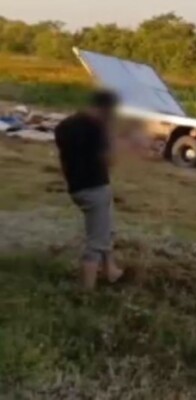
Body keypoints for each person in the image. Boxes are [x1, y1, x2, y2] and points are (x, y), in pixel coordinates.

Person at [54, 90, 124, 290]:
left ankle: (111, 271)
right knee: (96, 241)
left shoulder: (65, 125)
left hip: (76, 187)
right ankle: (86, 291)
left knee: (106, 228)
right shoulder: (98, 129)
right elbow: (109, 160)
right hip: (95, 188)